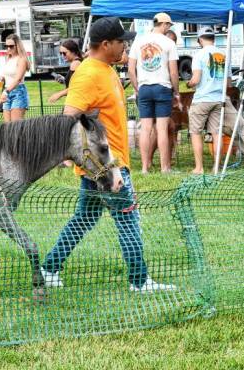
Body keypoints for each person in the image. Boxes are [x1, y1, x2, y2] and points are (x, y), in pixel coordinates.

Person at [41, 16, 176, 293]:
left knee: (85, 218)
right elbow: (69, 119)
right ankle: (140, 281)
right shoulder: (88, 74)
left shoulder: (107, 68)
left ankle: (49, 268)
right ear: (105, 44)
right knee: (128, 220)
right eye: (120, 42)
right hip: (107, 167)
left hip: (105, 165)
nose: (124, 47)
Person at [128, 12, 181, 173]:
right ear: (164, 24)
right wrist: (177, 92)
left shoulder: (139, 41)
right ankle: (165, 168)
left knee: (145, 128)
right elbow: (173, 72)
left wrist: (137, 87)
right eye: (169, 25)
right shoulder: (169, 43)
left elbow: (131, 69)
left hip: (144, 88)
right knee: (162, 129)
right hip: (162, 88)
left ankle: (144, 168)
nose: (169, 28)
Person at [187, 27, 226, 174]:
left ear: (200, 39)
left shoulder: (199, 55)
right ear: (213, 38)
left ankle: (199, 167)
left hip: (202, 99)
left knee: (196, 132)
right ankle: (217, 167)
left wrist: (189, 83)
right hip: (219, 99)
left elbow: (196, 79)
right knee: (217, 134)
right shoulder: (223, 54)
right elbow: (228, 82)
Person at [0, 34, 30, 122]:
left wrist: (6, 92)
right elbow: (6, 78)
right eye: (6, 46)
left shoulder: (22, 59)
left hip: (18, 92)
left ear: (17, 46)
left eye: (11, 46)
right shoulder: (9, 59)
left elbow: (18, 79)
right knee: (7, 127)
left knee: (15, 127)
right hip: (7, 90)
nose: (8, 48)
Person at [49, 39, 83, 103]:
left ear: (73, 52)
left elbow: (76, 87)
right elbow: (74, 83)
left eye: (64, 53)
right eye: (60, 53)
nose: (62, 56)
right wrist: (64, 80)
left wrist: (58, 94)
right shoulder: (77, 62)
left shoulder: (75, 64)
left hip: (76, 102)